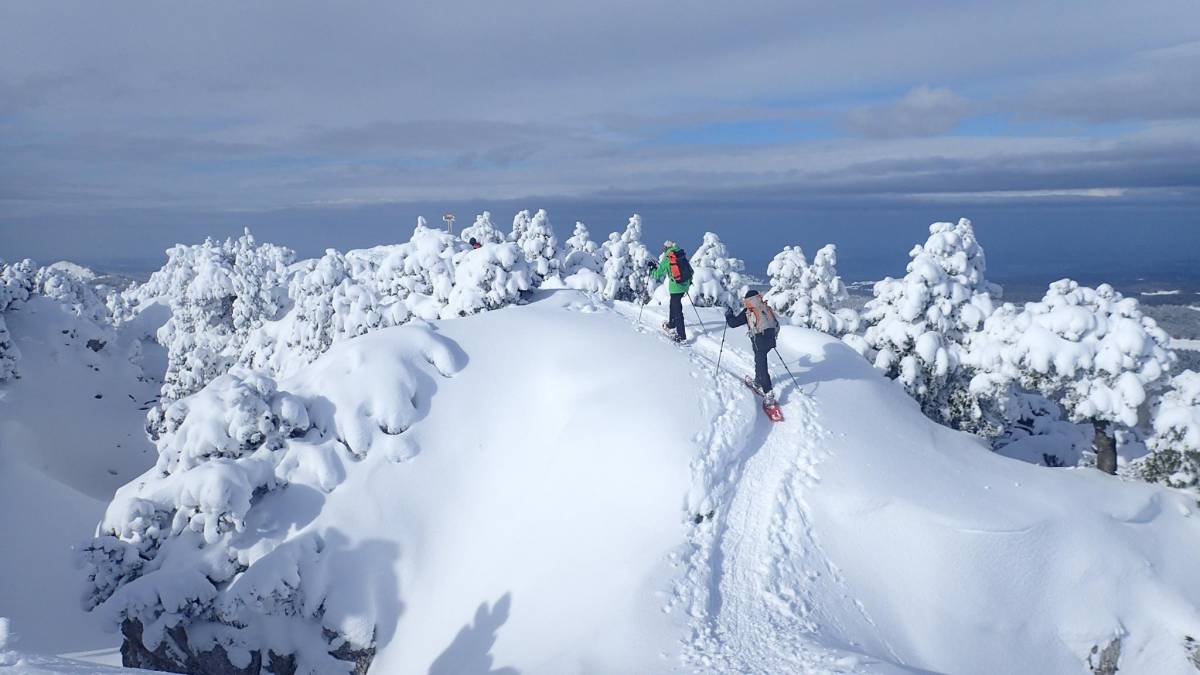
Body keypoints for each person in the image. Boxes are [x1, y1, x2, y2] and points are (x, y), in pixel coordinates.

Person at [725, 289, 780, 406]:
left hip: (759, 341)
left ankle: (768, 393)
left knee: (761, 365)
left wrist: (728, 315)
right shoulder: (764, 306)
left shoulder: (749, 311)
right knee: (759, 360)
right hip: (771, 339)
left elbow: (733, 323)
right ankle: (758, 381)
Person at [648, 240, 693, 343]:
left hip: (675, 288)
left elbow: (657, 274)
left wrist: (651, 269)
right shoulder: (680, 254)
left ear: (666, 248)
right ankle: (672, 324)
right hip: (684, 286)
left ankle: (681, 336)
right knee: (673, 305)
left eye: (664, 248)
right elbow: (691, 271)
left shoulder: (668, 258)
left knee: (677, 309)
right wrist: (687, 284)